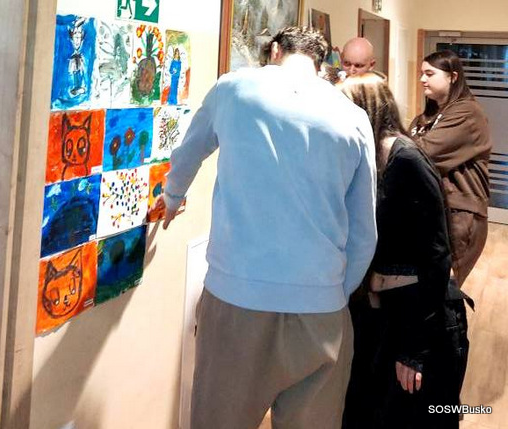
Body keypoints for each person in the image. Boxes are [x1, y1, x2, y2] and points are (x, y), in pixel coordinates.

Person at [153, 27, 377, 428]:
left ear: (274, 51)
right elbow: (364, 233)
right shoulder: (353, 117)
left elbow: (190, 150)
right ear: (321, 63)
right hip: (321, 310)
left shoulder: (233, 89)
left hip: (238, 296)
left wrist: (172, 197)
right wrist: (331, 293)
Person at [339, 73, 459, 428]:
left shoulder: (407, 160)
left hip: (415, 317)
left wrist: (414, 350)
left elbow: (436, 253)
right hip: (381, 315)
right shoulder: (372, 159)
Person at [410, 50, 492, 402]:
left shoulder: (466, 114)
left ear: (453, 76)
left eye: (430, 73)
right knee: (429, 299)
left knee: (442, 301)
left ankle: (443, 397)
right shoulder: (430, 115)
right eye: (422, 73)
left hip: (460, 219)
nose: (422, 80)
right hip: (436, 218)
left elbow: (420, 152)